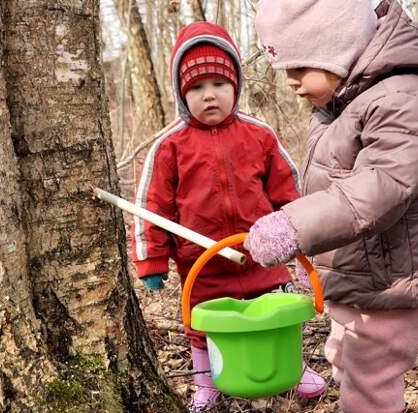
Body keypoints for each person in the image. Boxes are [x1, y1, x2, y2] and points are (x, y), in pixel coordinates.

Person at [244, 1, 418, 412]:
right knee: (345, 362)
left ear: (337, 48)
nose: (290, 82)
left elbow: (381, 189)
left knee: (369, 389)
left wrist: (293, 226)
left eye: (299, 67)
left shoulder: (400, 98)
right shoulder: (344, 101)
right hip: (363, 285)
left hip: (389, 289)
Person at [131, 21, 326, 412]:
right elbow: (152, 207)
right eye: (196, 88)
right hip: (202, 260)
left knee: (275, 310)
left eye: (219, 85)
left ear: (235, 85)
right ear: (181, 94)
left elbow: (288, 188)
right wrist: (151, 259)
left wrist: (297, 230)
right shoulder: (170, 146)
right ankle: (207, 381)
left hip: (261, 253)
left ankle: (292, 364)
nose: (209, 96)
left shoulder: (259, 135)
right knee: (203, 323)